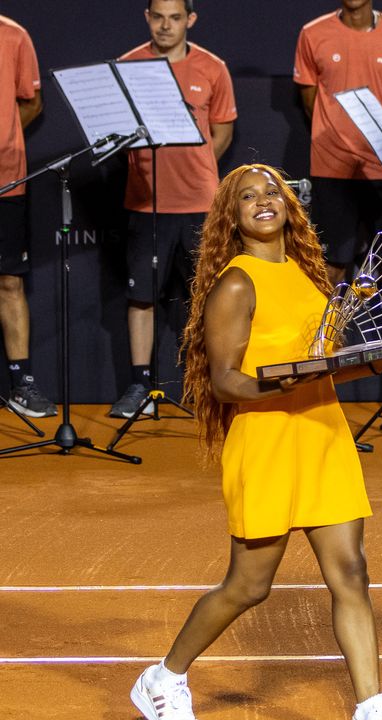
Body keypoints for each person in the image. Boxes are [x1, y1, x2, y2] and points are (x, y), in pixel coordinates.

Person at [130, 163, 382, 720]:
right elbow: (224, 382)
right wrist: (287, 384)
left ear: (290, 204)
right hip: (268, 440)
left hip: (323, 432)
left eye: (271, 190)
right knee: (249, 586)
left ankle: (370, 711)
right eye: (246, 197)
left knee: (351, 571)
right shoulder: (236, 283)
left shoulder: (310, 274)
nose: (262, 201)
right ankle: (162, 679)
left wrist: (367, 347)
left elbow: (324, 357)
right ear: (232, 217)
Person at [293, 0, 382, 417]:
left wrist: (381, 128)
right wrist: (344, 136)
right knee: (329, 273)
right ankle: (319, 376)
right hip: (332, 172)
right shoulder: (312, 33)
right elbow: (311, 101)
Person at [110, 0, 237, 418]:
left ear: (190, 20)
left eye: (175, 17)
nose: (166, 26)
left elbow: (221, 130)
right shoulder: (126, 66)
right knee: (141, 299)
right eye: (158, 17)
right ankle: (139, 385)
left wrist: (197, 167)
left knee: (208, 301)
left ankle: (211, 385)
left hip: (200, 203)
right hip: (146, 203)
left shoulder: (213, 67)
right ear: (147, 18)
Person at [0, 14, 56, 418]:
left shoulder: (15, 35)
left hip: (6, 180)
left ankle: (23, 383)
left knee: (9, 283)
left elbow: (31, 102)